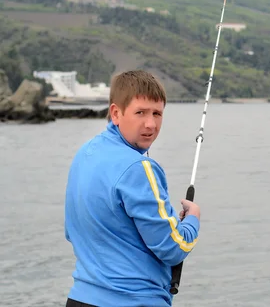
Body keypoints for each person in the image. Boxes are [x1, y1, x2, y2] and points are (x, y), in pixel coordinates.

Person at [64, 70, 201, 307]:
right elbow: (173, 247)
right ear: (116, 113)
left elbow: (71, 231)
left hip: (80, 298)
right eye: (140, 113)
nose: (151, 124)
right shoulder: (139, 167)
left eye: (157, 113)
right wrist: (192, 221)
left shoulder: (85, 153)